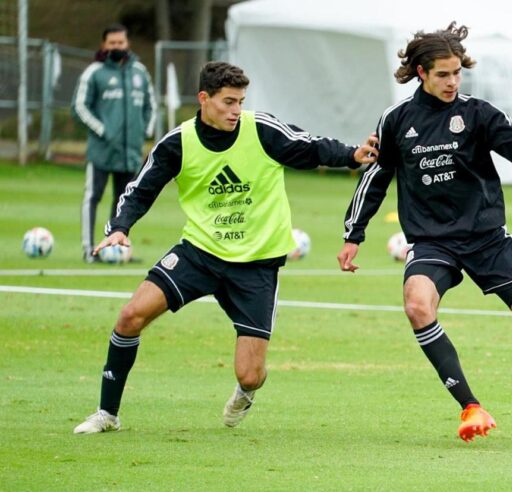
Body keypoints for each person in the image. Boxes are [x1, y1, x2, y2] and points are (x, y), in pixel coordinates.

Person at [73, 61, 379, 434]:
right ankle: (107, 414)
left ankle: (245, 392)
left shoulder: (261, 129)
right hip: (200, 253)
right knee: (130, 316)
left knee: (250, 375)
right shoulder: (178, 143)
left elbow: (309, 147)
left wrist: (351, 155)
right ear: (204, 99)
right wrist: (120, 227)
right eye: (228, 101)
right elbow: (142, 187)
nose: (236, 110)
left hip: (256, 264)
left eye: (240, 101)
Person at [337, 22, 512, 442]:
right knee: (417, 306)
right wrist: (354, 234)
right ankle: (470, 406)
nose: (452, 81)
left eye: (457, 73)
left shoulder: (477, 113)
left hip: (487, 238)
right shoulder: (397, 121)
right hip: (432, 241)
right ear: (421, 73)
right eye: (443, 74)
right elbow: (376, 177)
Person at [72, 23, 156, 263]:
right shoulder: (94, 72)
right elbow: (79, 107)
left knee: (124, 202)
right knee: (93, 197)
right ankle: (89, 250)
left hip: (130, 151)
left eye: (121, 43)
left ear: (127, 44)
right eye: (112, 43)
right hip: (102, 150)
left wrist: (144, 132)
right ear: (104, 45)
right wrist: (103, 130)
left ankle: (118, 251)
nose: (117, 47)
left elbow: (151, 106)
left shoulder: (140, 72)